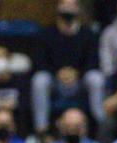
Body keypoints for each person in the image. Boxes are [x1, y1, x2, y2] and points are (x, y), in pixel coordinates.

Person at [32, 0, 104, 134]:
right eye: (64, 5)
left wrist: (77, 73)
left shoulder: (88, 34)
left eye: (72, 5)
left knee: (96, 78)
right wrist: (57, 73)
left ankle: (101, 126)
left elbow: (93, 61)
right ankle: (41, 130)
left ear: (78, 9)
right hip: (55, 82)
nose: (68, 9)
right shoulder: (45, 33)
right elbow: (39, 61)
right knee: (39, 80)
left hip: (80, 82)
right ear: (58, 8)